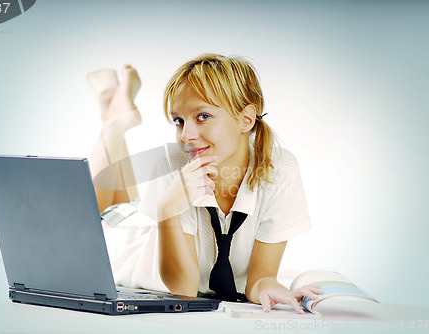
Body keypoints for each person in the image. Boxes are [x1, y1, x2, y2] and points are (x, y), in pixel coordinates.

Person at [86, 54, 323, 313]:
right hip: (131, 239)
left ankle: (116, 111)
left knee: (120, 199)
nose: (186, 136)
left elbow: (260, 278)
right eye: (179, 121)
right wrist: (167, 208)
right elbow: (184, 290)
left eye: (202, 116)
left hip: (148, 219)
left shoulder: (279, 169)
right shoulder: (172, 163)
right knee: (88, 222)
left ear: (246, 119)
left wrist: (269, 287)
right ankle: (113, 124)